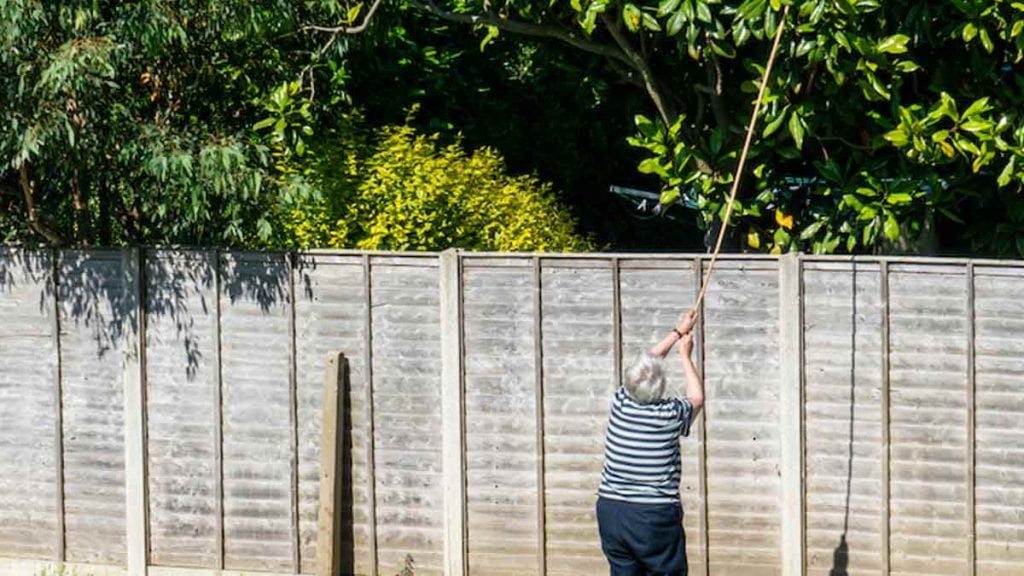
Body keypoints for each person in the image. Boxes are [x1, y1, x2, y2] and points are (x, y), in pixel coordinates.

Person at [596, 308, 705, 576]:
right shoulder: (668, 415)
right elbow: (697, 398)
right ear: (660, 389)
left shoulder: (621, 401)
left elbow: (648, 361)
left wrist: (677, 331)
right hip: (652, 516)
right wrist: (685, 356)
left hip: (611, 512)